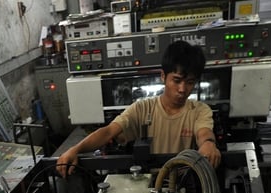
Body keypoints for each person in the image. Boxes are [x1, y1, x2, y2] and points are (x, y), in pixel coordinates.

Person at [56, 40, 221, 177]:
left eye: (190, 82)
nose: (182, 89)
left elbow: (204, 133)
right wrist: (75, 149)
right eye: (176, 80)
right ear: (163, 76)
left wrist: (208, 144)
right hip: (149, 184)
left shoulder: (199, 110)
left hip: (186, 184)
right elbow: (108, 132)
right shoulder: (143, 108)